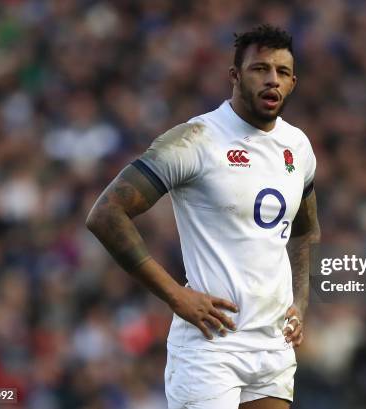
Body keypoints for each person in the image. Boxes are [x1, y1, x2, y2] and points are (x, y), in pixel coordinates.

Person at [86, 24, 320, 409]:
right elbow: (106, 213)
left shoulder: (298, 146)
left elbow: (305, 231)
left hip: (272, 345)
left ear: (293, 82)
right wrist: (176, 295)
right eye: (259, 69)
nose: (271, 80)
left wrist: (301, 302)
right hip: (212, 346)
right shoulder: (195, 140)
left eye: (281, 72)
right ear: (235, 76)